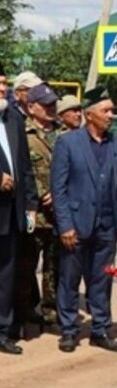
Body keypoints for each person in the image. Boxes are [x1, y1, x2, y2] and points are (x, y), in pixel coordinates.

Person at [50, 88, 117, 353]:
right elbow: (58, 188)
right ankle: (69, 330)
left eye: (112, 109)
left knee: (101, 280)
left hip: (107, 226)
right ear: (89, 115)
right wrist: (65, 225)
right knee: (69, 280)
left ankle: (100, 329)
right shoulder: (68, 143)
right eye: (106, 110)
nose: (111, 115)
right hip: (76, 224)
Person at [0, 77, 36, 356]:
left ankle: (4, 329)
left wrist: (31, 203)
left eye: (5, 84)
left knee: (7, 272)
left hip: (10, 212)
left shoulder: (14, 118)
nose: (3, 89)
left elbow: (24, 165)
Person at [19, 85, 60, 331]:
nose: (51, 108)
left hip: (59, 213)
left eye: (53, 104)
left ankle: (51, 312)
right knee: (26, 266)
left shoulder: (63, 134)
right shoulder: (23, 134)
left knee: (55, 268)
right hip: (34, 213)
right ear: (32, 107)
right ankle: (25, 312)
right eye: (45, 104)